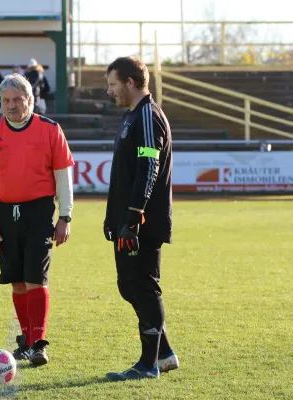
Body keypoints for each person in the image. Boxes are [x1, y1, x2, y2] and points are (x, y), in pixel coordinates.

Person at [0, 73, 74, 366]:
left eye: (18, 99)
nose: (12, 105)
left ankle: (38, 342)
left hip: (39, 212)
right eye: (6, 100)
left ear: (31, 100)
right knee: (17, 281)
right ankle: (26, 340)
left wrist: (65, 217)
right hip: (2, 215)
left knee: (36, 278)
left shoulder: (50, 130)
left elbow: (63, 178)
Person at [102, 56, 179, 381]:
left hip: (142, 223)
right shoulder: (133, 116)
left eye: (113, 84)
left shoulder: (147, 115)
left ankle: (148, 365)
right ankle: (164, 353)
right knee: (128, 285)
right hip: (127, 221)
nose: (110, 91)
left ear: (131, 82)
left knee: (143, 286)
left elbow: (149, 166)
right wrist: (114, 217)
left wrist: (134, 216)